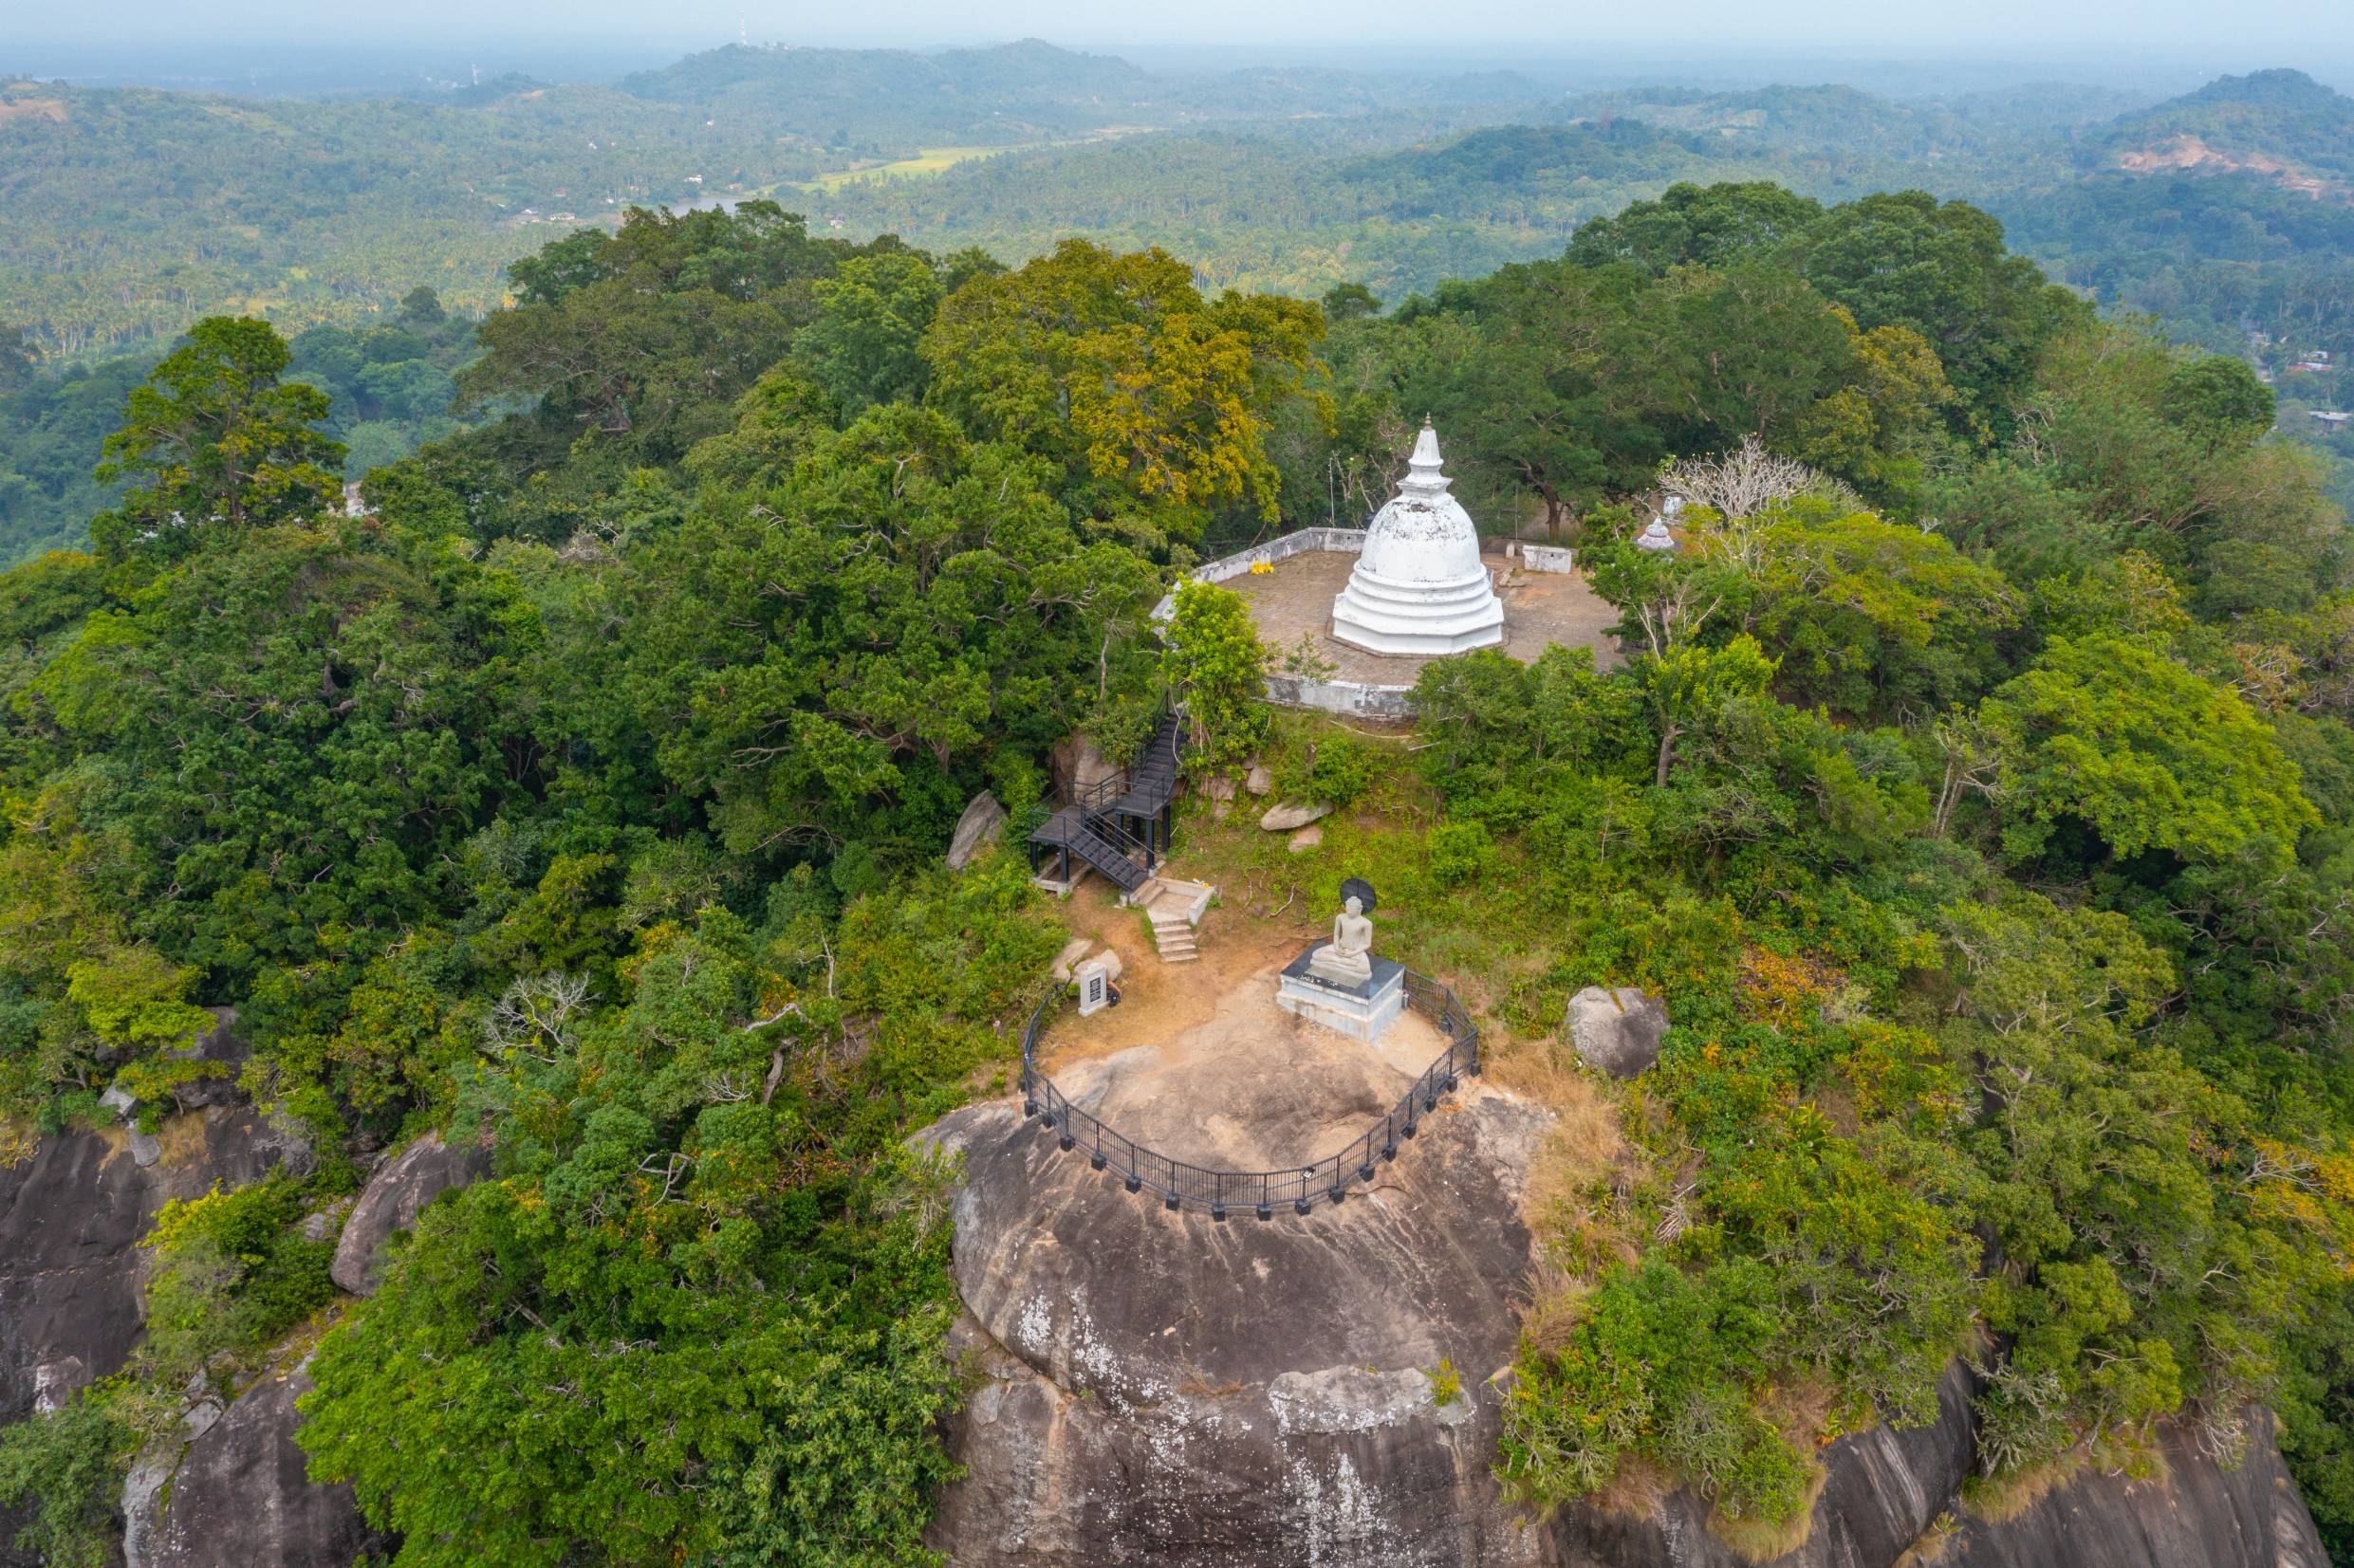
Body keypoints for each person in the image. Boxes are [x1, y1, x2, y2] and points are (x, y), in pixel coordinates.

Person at [1308, 894, 1374, 985]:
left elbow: (1367, 943)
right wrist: (1336, 947)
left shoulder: (1366, 923)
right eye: (1347, 907)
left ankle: (1336, 962)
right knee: (1316, 954)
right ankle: (1343, 962)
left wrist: (1352, 953)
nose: (1349, 910)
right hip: (1339, 947)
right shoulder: (1340, 917)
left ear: (1360, 908)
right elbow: (1336, 935)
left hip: (1354, 951)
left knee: (1364, 969)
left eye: (1352, 908)